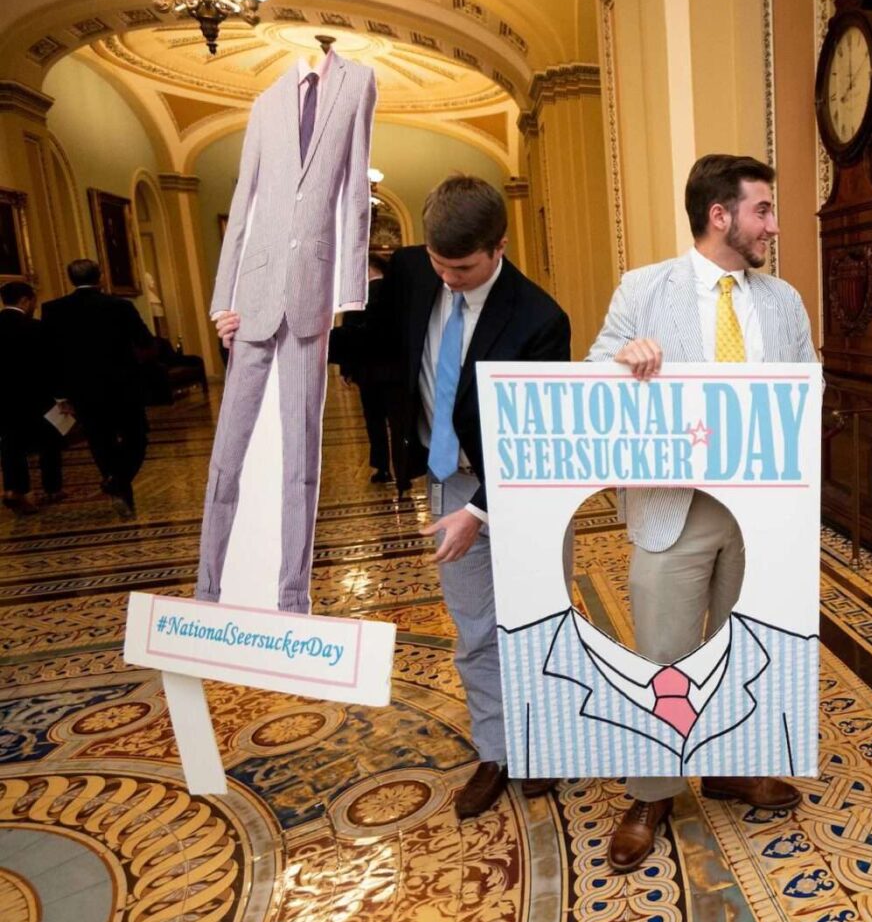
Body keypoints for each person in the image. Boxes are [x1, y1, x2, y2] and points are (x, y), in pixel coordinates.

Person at [589, 154, 819, 873]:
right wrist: (624, 360)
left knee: (742, 649)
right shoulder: (643, 289)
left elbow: (809, 382)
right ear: (720, 215)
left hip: (757, 514)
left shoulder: (780, 301)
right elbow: (593, 374)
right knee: (662, 651)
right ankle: (652, 791)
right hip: (671, 506)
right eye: (762, 211)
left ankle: (728, 766)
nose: (773, 226)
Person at [381, 176, 571, 818]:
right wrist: (252, 331)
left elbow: (540, 432)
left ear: (498, 247)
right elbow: (360, 334)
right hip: (447, 481)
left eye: (461, 266)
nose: (448, 276)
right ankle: (497, 752)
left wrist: (480, 510)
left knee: (538, 623)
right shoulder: (413, 272)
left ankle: (545, 744)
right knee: (475, 633)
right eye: (437, 263)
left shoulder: (541, 319)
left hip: (524, 489)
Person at [195, 47, 377, 613]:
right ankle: (209, 588)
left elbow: (354, 191)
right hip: (253, 294)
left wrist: (348, 291)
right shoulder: (266, 101)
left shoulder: (358, 81)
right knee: (228, 449)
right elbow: (242, 199)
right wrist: (222, 298)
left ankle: (291, 597)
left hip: (310, 293)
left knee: (302, 454)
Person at [41, 260, 154, 518]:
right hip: (123, 385)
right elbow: (144, 340)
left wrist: (60, 394)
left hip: (82, 389)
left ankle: (117, 485)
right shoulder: (120, 306)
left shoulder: (53, 310)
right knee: (137, 438)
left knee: (100, 442)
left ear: (70, 278)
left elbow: (49, 356)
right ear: (100, 277)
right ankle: (119, 482)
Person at [332, 252, 398, 483]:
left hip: (368, 371)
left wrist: (345, 368)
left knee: (374, 420)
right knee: (398, 421)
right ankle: (404, 469)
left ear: (368, 269)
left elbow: (350, 335)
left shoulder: (357, 299)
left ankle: (382, 468)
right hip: (395, 369)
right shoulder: (397, 292)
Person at [0, 282, 64, 515]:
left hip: (3, 398)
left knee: (10, 443)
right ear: (25, 301)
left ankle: (13, 489)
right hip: (36, 395)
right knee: (50, 438)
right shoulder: (36, 328)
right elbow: (51, 364)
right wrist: (61, 394)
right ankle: (52, 487)